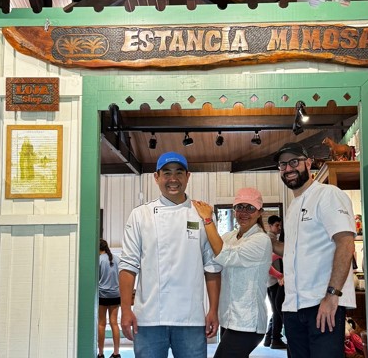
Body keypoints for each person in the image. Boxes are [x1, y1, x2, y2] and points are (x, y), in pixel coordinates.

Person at [118, 152, 222, 358]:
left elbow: (212, 267)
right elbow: (128, 266)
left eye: (179, 173)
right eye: (167, 173)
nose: (173, 179)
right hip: (148, 319)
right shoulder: (141, 215)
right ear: (156, 177)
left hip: (190, 319)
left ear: (188, 176)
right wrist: (125, 310)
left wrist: (213, 310)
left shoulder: (203, 215)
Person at [271, 142, 356, 358]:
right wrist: (264, 240)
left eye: (294, 162)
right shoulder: (292, 207)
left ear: (308, 163)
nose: (288, 169)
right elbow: (293, 251)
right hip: (293, 308)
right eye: (283, 165)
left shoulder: (328, 194)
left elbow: (345, 243)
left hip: (322, 305)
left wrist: (332, 295)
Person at [192, 188, 271, 358]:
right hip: (229, 318)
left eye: (250, 208)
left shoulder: (260, 240)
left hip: (248, 323)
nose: (244, 212)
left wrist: (207, 219)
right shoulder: (230, 236)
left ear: (260, 213)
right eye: (240, 207)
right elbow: (212, 258)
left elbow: (224, 255)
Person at [264, 215, 288, 350]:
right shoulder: (270, 240)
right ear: (270, 225)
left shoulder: (273, 239)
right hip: (274, 281)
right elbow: (268, 262)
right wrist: (280, 276)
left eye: (280, 225)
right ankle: (275, 339)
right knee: (278, 310)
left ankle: (269, 337)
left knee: (275, 310)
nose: (278, 228)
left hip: (273, 280)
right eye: (276, 225)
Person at [98, 239, 121, 358]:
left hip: (102, 295)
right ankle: (116, 354)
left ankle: (101, 354)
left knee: (101, 324)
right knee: (114, 324)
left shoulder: (99, 260)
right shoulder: (117, 259)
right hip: (116, 295)